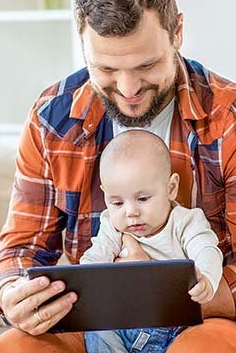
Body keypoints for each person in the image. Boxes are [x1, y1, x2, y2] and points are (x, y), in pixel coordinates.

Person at [0, 0, 236, 352]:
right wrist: (11, 295)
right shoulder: (53, 119)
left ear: (178, 33)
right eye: (105, 69)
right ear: (82, 42)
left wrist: (164, 291)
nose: (128, 88)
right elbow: (20, 250)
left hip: (208, 323)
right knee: (16, 347)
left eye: (146, 65)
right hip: (99, 329)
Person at [80, 129, 224, 353]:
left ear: (171, 188)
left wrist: (207, 279)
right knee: (97, 327)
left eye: (143, 198)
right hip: (122, 324)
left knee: (202, 340)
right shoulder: (111, 226)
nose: (131, 212)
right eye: (117, 202)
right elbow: (94, 260)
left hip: (172, 328)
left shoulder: (185, 222)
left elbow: (206, 249)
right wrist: (84, 283)